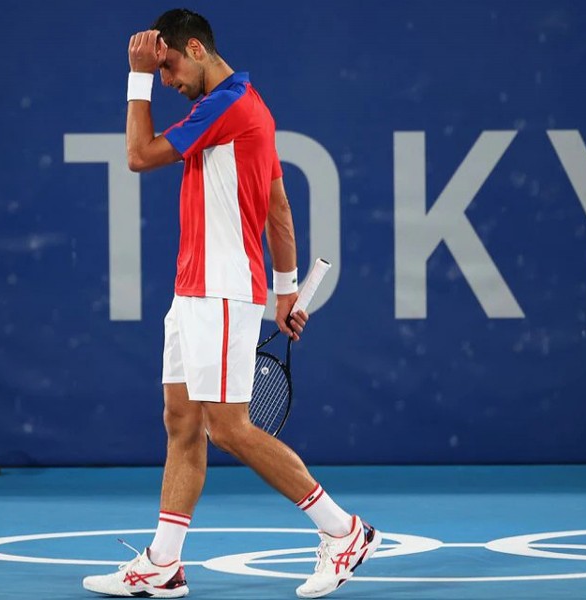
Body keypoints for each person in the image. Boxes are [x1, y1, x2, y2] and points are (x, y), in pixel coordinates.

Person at [82, 9, 380, 599]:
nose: (168, 80)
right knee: (181, 421)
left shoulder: (230, 106)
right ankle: (163, 564)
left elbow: (138, 155)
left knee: (228, 429)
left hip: (221, 289)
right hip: (194, 291)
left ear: (195, 49)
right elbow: (279, 208)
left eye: (169, 66)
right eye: (159, 73)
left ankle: (343, 530)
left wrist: (136, 75)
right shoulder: (252, 110)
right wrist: (286, 289)